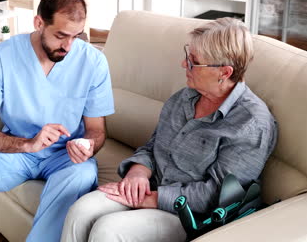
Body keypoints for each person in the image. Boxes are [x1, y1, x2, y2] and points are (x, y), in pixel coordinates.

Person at [61, 17, 278, 242]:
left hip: (189, 215)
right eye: (187, 56)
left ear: (224, 72)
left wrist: (152, 199)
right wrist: (138, 173)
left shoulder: (252, 124)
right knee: (81, 210)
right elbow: (154, 146)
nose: (184, 64)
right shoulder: (184, 98)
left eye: (193, 61)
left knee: (108, 230)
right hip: (150, 189)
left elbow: (218, 194)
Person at [0, 0, 114, 242]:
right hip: (18, 151)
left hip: (63, 157)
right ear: (39, 22)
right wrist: (29, 144)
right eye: (61, 35)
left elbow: (97, 131)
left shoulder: (93, 62)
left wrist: (89, 146)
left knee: (83, 173)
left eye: (76, 36)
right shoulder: (2, 57)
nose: (68, 46)